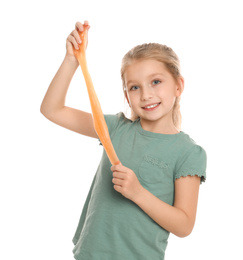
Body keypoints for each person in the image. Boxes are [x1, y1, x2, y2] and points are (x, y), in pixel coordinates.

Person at [41, 21, 207, 260]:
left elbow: (184, 225)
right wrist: (72, 60)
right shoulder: (115, 129)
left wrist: (138, 192)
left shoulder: (189, 152)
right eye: (134, 87)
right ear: (127, 97)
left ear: (178, 86)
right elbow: (52, 109)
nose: (146, 94)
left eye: (156, 82)